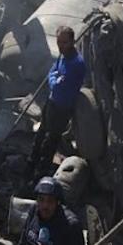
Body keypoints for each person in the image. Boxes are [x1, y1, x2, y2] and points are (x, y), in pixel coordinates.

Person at [30, 27, 86, 176]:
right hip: (52, 101)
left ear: (72, 42)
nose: (60, 45)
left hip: (62, 107)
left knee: (51, 139)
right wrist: (54, 78)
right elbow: (52, 73)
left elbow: (58, 85)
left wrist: (54, 78)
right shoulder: (63, 56)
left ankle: (41, 171)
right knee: (41, 132)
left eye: (64, 42)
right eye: (58, 42)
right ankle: (32, 161)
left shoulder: (76, 63)